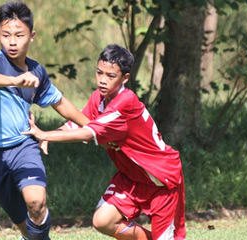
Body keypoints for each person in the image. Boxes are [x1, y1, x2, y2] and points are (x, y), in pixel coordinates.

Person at [23, 44, 186, 240]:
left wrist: (44, 135)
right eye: (99, 73)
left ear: (125, 78)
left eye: (110, 76)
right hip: (131, 177)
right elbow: (77, 124)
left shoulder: (125, 103)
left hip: (161, 179)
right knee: (102, 221)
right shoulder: (99, 98)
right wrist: (51, 135)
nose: (102, 80)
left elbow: (87, 133)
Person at [0, 2, 89, 240]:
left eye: (19, 35)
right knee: (28, 228)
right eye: (6, 35)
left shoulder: (37, 72)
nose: (12, 42)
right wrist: (14, 80)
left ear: (32, 36)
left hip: (24, 145)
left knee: (36, 203)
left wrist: (92, 127)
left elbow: (61, 103)